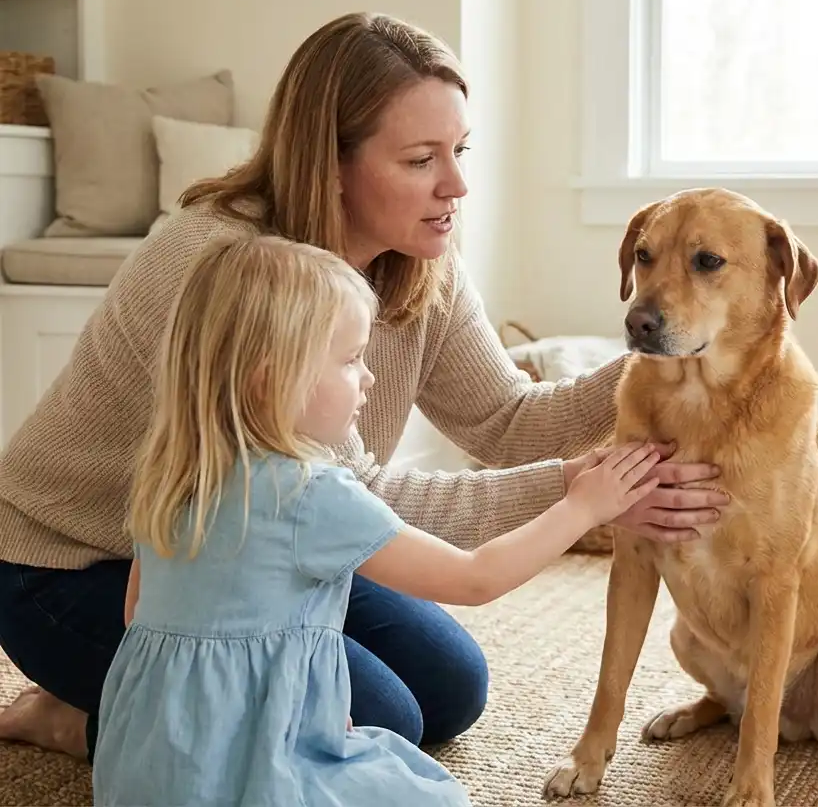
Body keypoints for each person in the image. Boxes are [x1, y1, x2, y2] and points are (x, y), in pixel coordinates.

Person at [0, 11, 729, 765]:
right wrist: (580, 493)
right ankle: (79, 723)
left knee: (452, 687)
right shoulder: (226, 272)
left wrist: (661, 348)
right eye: (421, 160)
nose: (457, 185)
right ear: (330, 163)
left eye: (459, 150)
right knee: (378, 717)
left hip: (255, 549)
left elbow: (506, 419)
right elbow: (357, 502)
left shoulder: (421, 257)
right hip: (71, 564)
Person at [93, 232, 664, 807]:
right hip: (245, 781)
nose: (368, 377)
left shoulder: (174, 473)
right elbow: (474, 577)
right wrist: (583, 507)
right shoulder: (311, 493)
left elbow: (137, 615)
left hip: (144, 770)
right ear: (271, 377)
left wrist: (296, 692)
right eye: (350, 360)